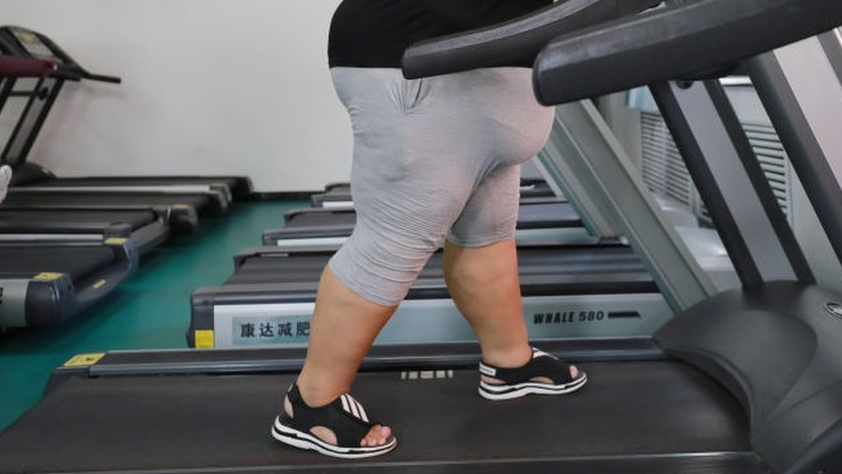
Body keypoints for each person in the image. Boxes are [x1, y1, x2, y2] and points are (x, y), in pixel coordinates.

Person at [271, 0, 588, 459]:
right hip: (419, 63)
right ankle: (310, 404)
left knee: (489, 232)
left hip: (491, 67)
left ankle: (509, 362)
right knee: (391, 244)